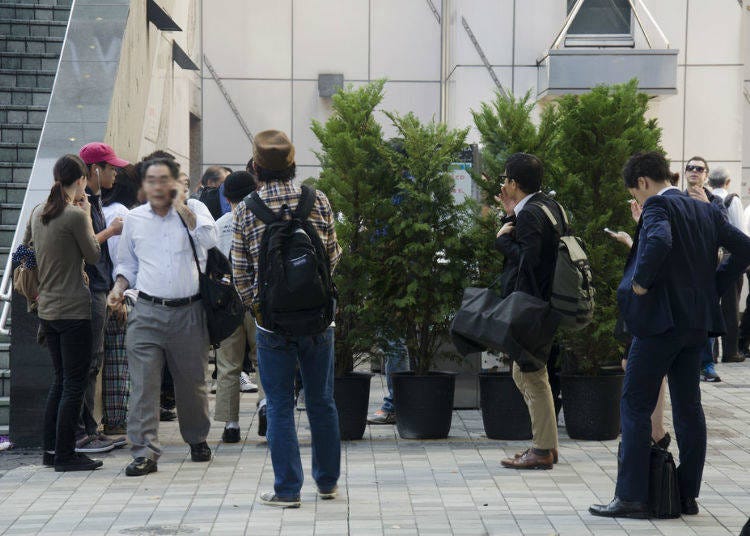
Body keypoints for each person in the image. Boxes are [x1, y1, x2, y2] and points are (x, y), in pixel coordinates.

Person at [590, 151, 750, 519]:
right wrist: (715, 287)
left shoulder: (658, 208)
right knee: (689, 409)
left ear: (643, 183)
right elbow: (744, 248)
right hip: (696, 325)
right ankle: (687, 495)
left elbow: (661, 242)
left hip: (659, 324)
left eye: (636, 193)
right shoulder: (707, 209)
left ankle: (631, 496)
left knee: (634, 404)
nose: (638, 201)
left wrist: (642, 283)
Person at [232, 130, 341, 508]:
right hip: (318, 320)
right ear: (293, 164)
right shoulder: (318, 200)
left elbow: (241, 272)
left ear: (257, 167)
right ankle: (327, 483)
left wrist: (259, 309)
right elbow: (332, 255)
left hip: (272, 324)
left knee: (279, 404)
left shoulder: (247, 207)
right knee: (322, 401)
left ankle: (287, 490)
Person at [108, 157, 217, 476]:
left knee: (192, 384)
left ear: (176, 183)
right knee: (143, 385)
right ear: (143, 186)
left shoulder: (194, 211)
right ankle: (144, 451)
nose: (157, 186)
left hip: (190, 312)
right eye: (151, 180)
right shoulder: (134, 220)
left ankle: (197, 438)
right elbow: (127, 265)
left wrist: (183, 208)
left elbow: (210, 242)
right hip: (146, 312)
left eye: (163, 180)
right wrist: (118, 287)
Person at [28, 154, 102, 471]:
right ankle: (66, 455)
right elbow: (94, 256)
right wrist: (86, 213)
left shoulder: (37, 213)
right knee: (74, 384)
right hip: (73, 308)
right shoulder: (74, 215)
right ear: (82, 180)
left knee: (59, 382)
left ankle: (51, 452)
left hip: (47, 309)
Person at [494, 153, 561, 470]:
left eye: (505, 179)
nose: (503, 185)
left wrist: (502, 243)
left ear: (513, 183)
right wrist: (510, 216)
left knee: (530, 374)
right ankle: (547, 445)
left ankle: (543, 449)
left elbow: (529, 260)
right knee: (532, 373)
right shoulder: (547, 206)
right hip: (544, 303)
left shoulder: (532, 214)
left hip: (531, 305)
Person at [75, 142, 129, 454]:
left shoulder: (94, 200)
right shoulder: (80, 204)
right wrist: (111, 231)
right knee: (87, 363)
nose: (115, 173)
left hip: (98, 289)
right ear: (94, 170)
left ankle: (88, 430)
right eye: (110, 168)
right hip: (89, 291)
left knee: (93, 363)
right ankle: (81, 432)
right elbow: (84, 247)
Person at [213, 170, 263, 442]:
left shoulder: (220, 225)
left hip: (227, 301)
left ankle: (230, 424)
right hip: (258, 300)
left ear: (228, 197)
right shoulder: (261, 219)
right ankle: (267, 407)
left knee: (228, 363)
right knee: (264, 358)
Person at [100, 165, 140, 435]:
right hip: (117, 296)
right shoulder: (120, 214)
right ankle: (117, 420)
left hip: (105, 293)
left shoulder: (102, 210)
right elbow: (121, 261)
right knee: (119, 361)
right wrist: (121, 293)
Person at [683, 156, 727, 382]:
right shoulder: (677, 199)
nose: (693, 171)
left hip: (707, 270)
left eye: (698, 169)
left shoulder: (714, 202)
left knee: (706, 317)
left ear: (706, 175)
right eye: (689, 167)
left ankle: (706, 364)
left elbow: (724, 229)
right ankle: (682, 363)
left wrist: (707, 207)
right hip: (681, 270)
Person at [708, 167, 746, 363]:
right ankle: (731, 351)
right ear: (728, 181)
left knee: (710, 302)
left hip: (709, 257)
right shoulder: (733, 200)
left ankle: (711, 353)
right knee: (731, 306)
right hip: (730, 257)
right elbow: (740, 233)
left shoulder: (704, 198)